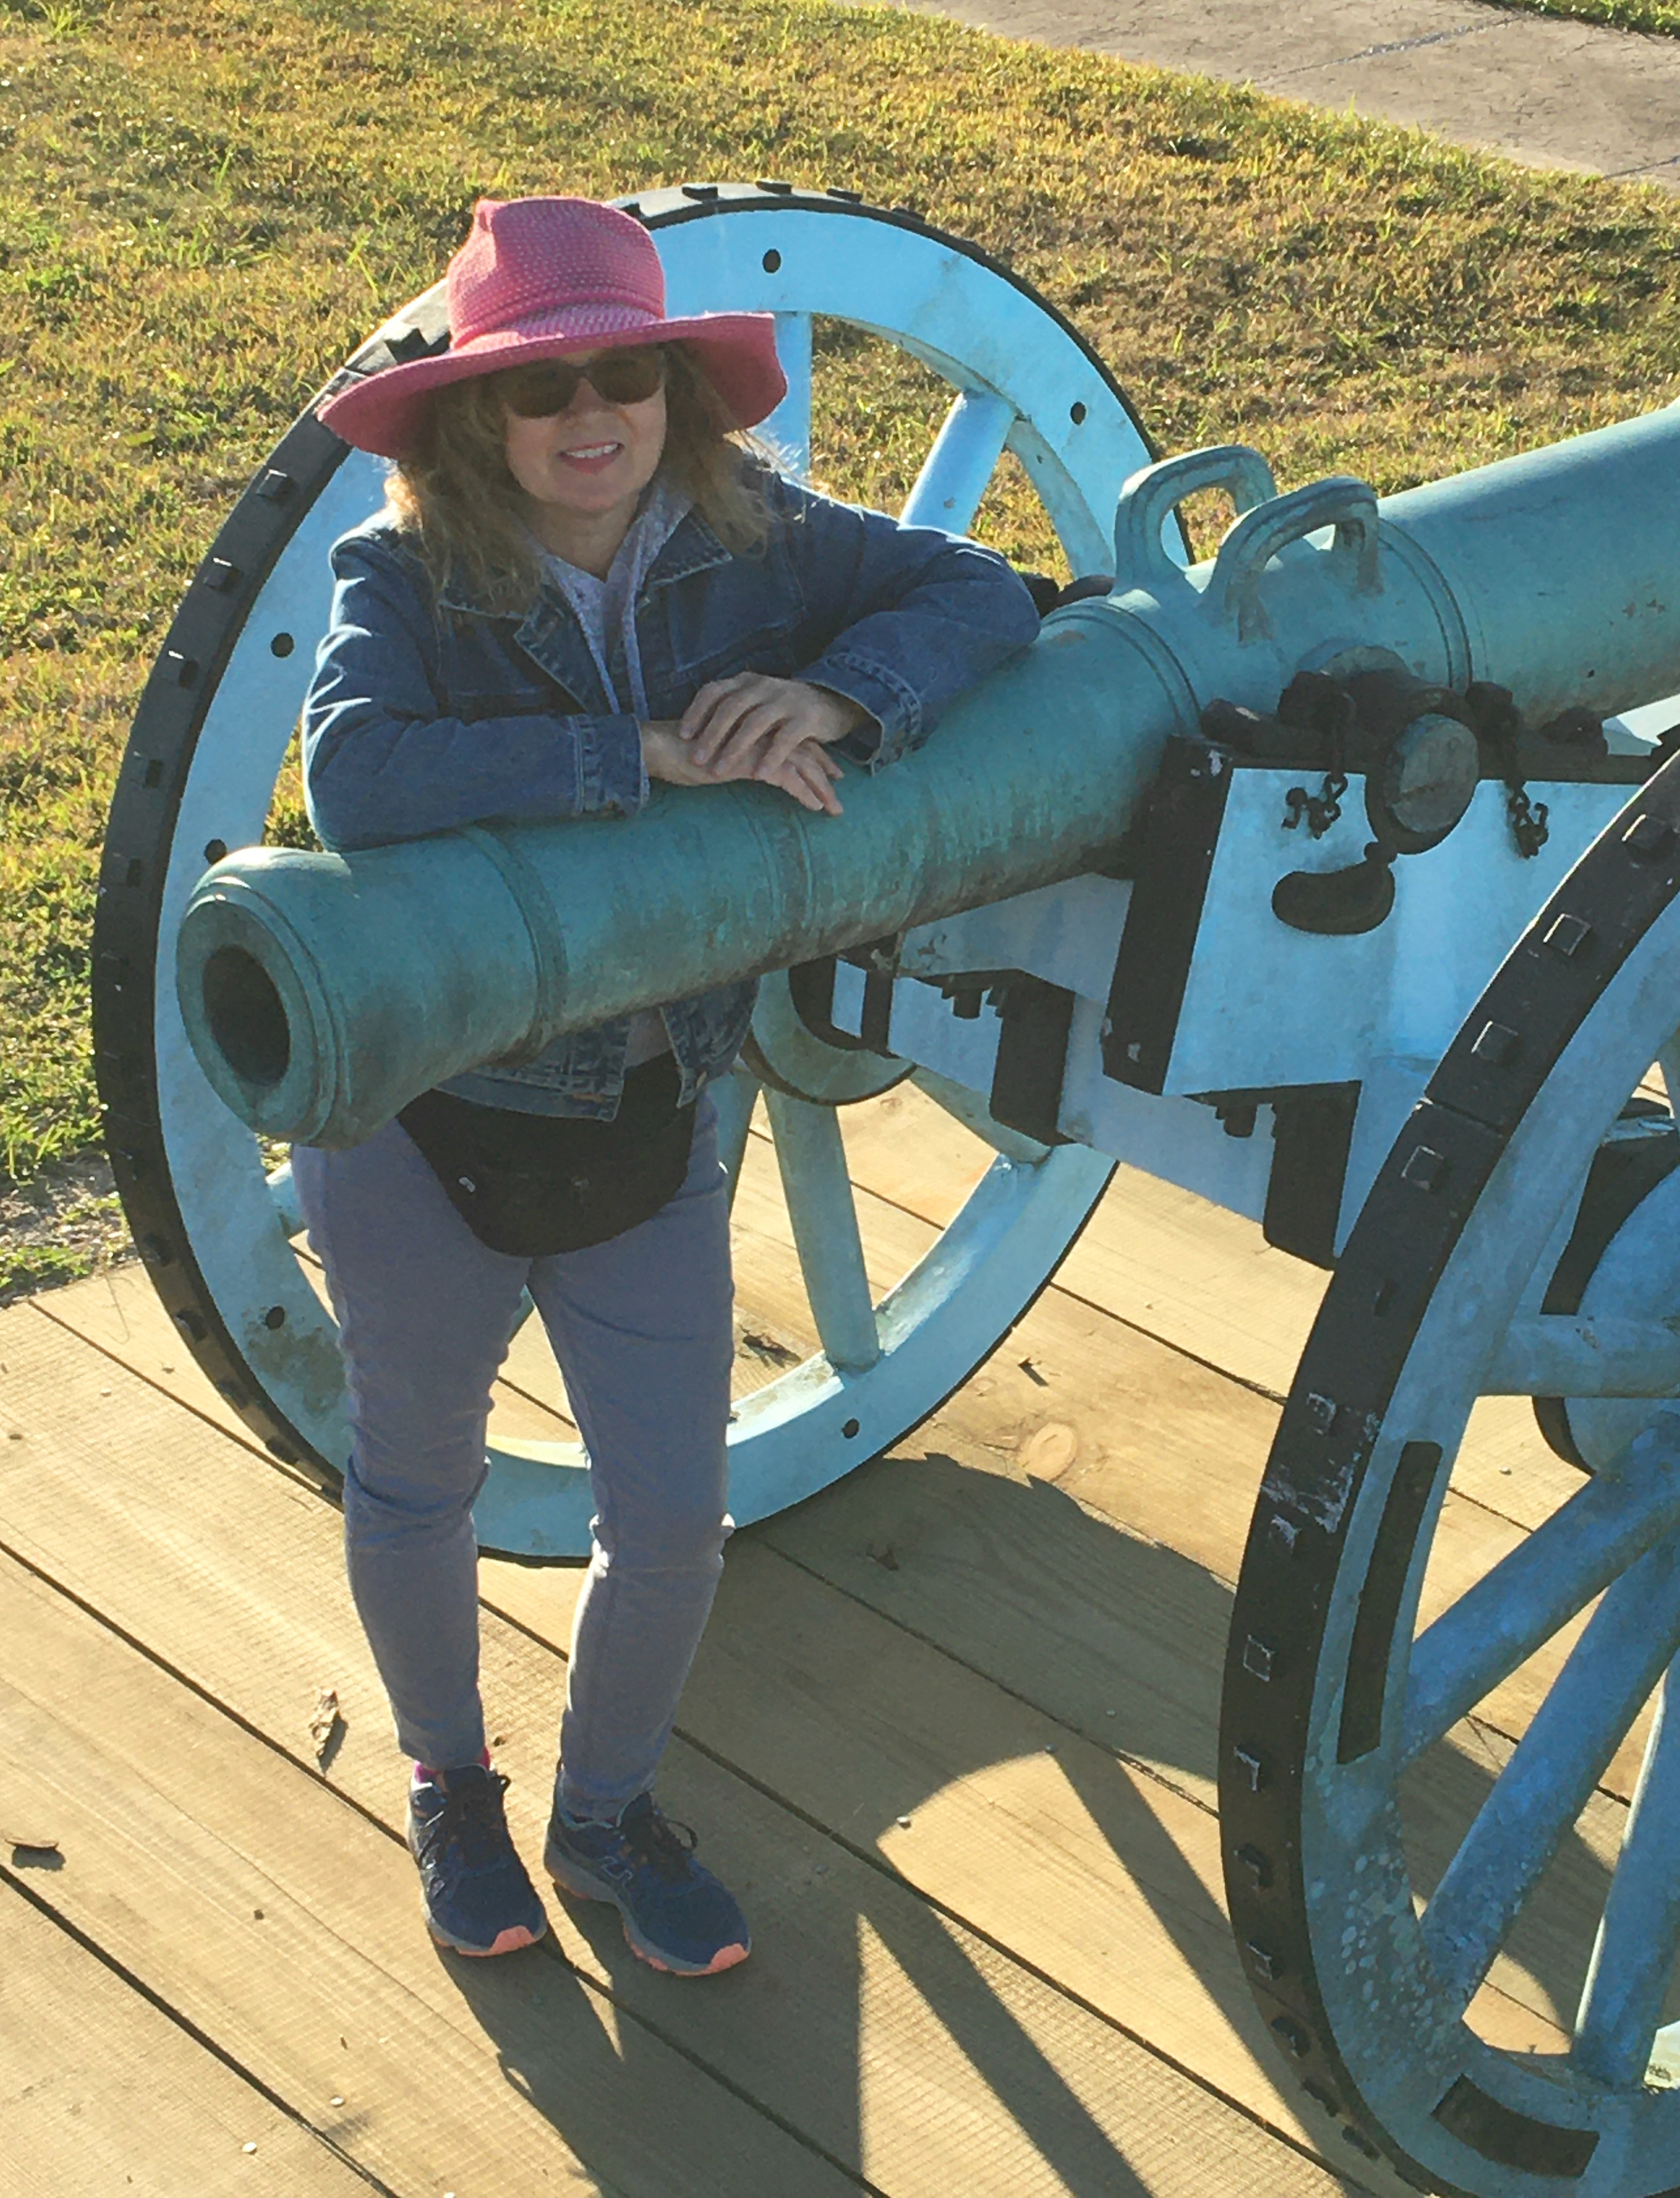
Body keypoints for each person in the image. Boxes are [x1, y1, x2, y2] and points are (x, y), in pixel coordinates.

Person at [298, 195, 1039, 1976]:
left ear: (674, 394)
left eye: (621, 372)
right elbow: (353, 777)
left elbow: (978, 588)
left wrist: (843, 695)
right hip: (428, 1113)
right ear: (475, 418)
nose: (586, 416)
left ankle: (604, 1806)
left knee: (670, 1516)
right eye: (536, 385)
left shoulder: (754, 540)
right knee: (414, 1482)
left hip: (651, 1112)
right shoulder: (400, 576)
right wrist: (621, 751)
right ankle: (451, 1784)